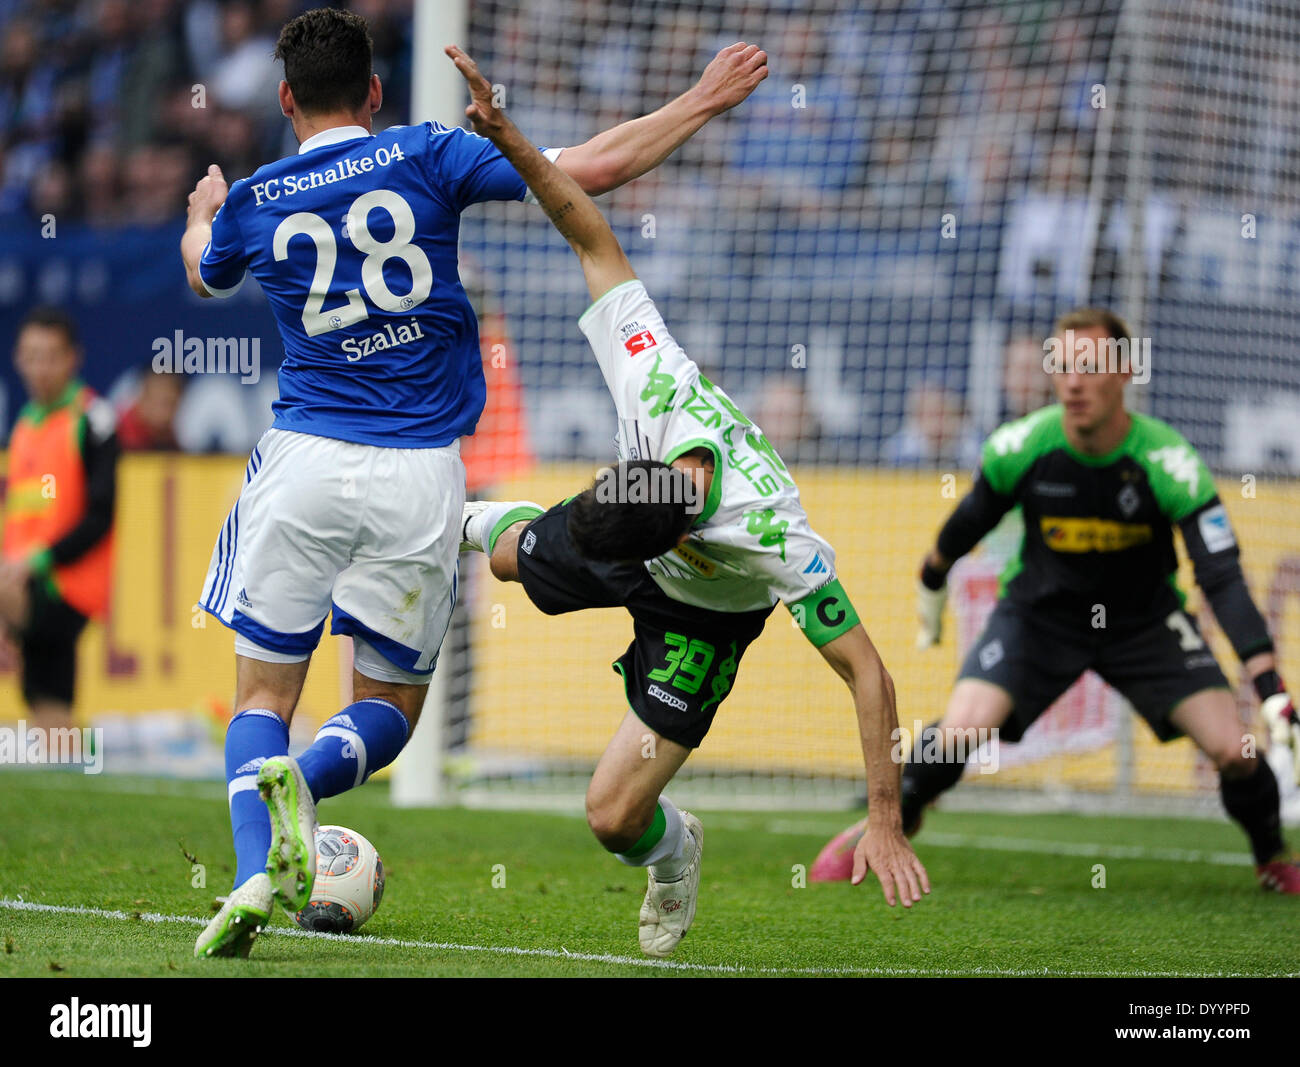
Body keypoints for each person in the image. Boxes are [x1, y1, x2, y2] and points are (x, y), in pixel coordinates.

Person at [179, 7, 770, 959]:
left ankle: (255, 862)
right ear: (374, 90)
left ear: (284, 99)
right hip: (420, 474)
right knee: (391, 711)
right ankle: (306, 783)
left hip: (302, 462)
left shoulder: (256, 195)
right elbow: (596, 169)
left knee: (259, 697)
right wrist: (700, 99)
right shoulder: (428, 154)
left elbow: (203, 278)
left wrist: (205, 212)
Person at [447, 45, 929, 957]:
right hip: (630, 538)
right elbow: (588, 231)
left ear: (683, 524)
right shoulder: (648, 374)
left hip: (704, 617)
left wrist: (885, 817)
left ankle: (677, 853)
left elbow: (871, 673)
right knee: (509, 555)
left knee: (611, 815)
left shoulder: (770, 536)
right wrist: (512, 141)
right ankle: (458, 521)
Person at [810, 308, 1300, 892]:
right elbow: (966, 524)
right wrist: (930, 581)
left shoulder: (1171, 464)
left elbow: (1220, 578)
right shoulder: (1022, 446)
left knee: (1239, 752)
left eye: (1088, 367)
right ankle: (894, 821)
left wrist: (1270, 687)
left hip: (1145, 625)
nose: (1071, 382)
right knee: (960, 729)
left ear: (1125, 373)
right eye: (1062, 366)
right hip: (1039, 618)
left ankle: (1273, 859)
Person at [0, 306, 117, 730]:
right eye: (32, 356)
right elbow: (21, 517)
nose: (40, 368)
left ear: (73, 358)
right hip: (24, 585)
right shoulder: (25, 425)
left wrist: (38, 562)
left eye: (51, 355)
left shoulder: (94, 420)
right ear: (17, 358)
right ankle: (81, 760)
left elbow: (100, 515)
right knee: (48, 708)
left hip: (65, 583)